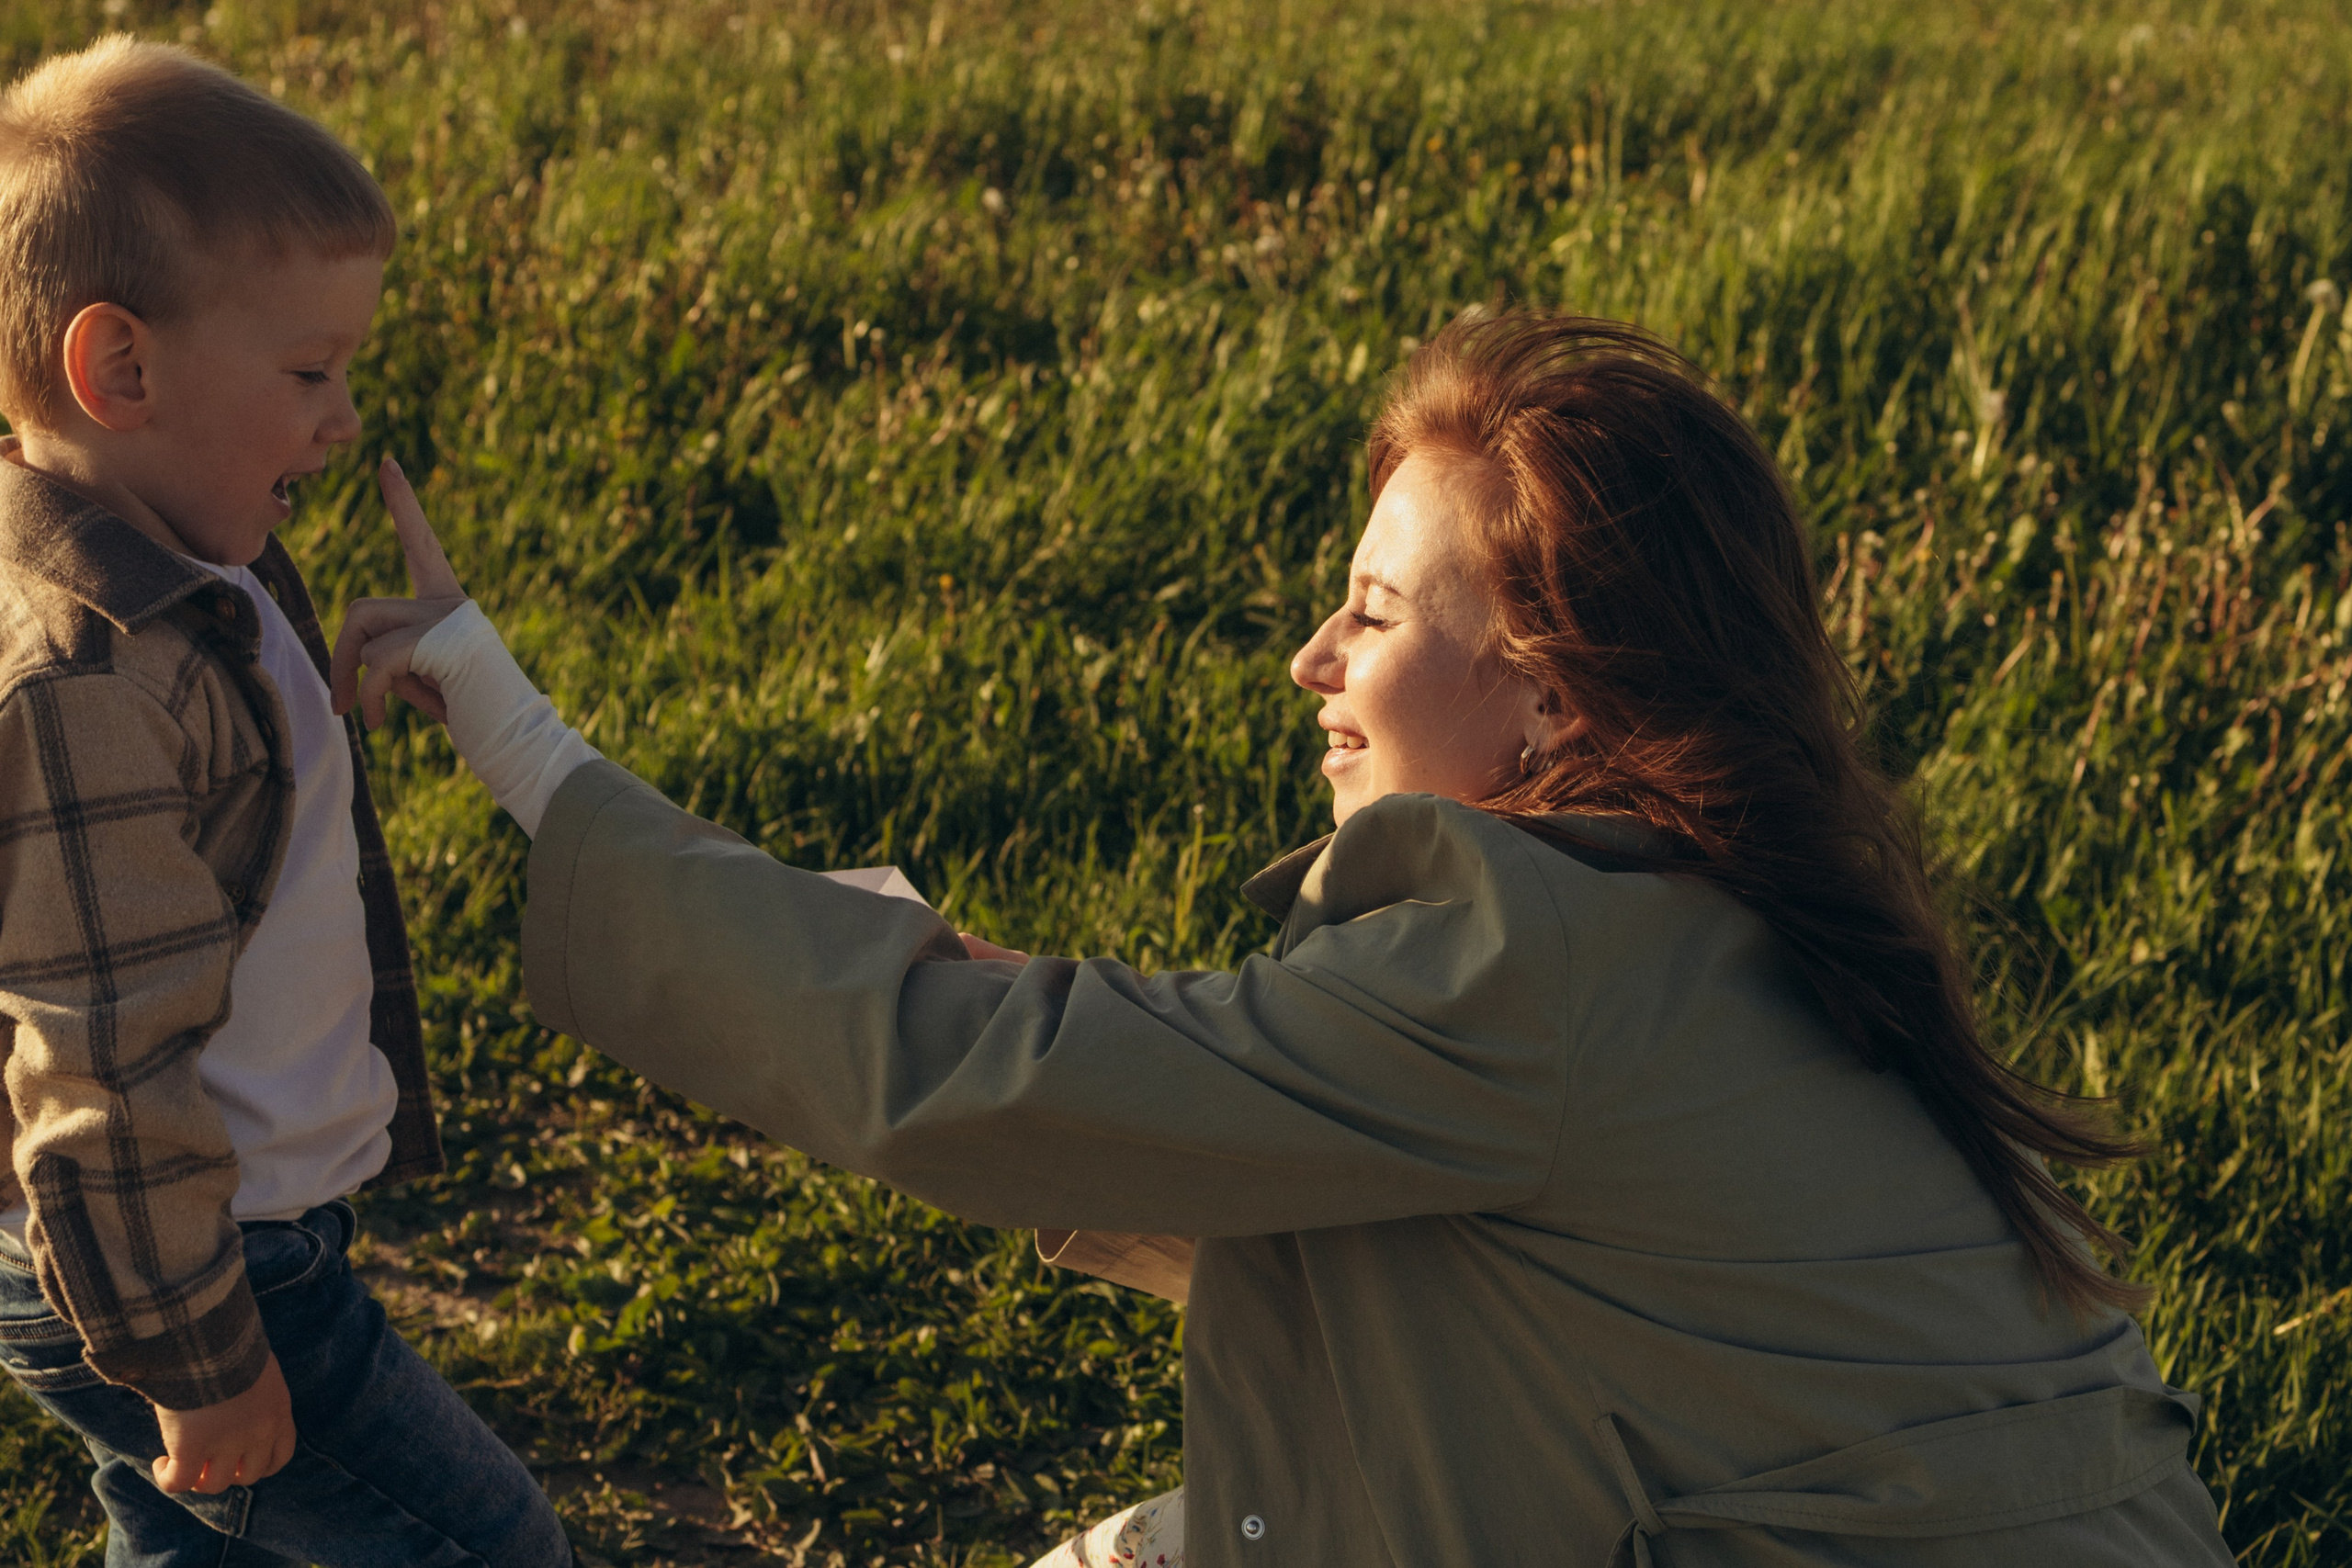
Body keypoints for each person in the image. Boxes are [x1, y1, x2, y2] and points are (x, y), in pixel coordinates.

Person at [338, 310, 2236, 1567]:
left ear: (1553, 702)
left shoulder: (1532, 960)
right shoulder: (1743, 928)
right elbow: (1440, 1263)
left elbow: (958, 1076)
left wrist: (520, 742)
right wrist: (1074, 1049)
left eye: (1367, 611)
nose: (1313, 664)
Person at [0, 39, 570, 1565]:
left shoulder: (191, 562)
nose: (340, 418)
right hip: (196, 1278)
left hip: (221, 1244)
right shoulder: (86, 682)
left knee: (201, 1548)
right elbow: (100, 1070)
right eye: (309, 373)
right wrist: (205, 1358)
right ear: (119, 370)